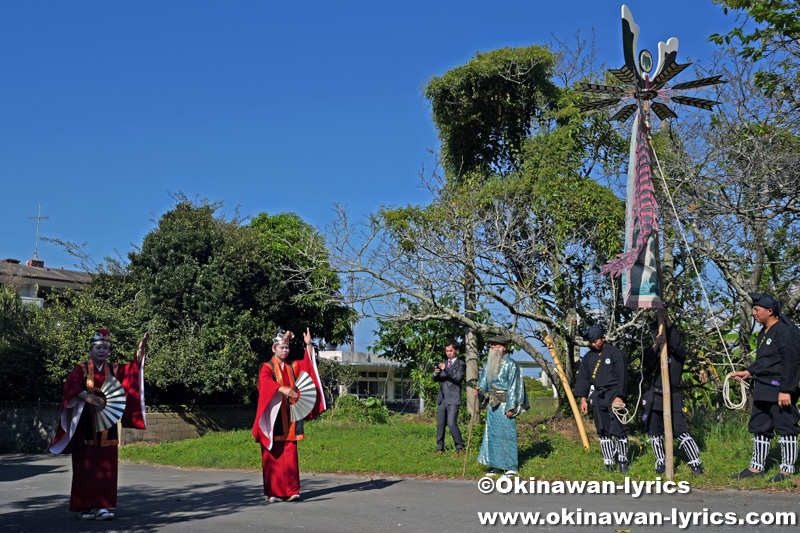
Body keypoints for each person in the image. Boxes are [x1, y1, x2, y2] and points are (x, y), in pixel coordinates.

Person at [50, 329, 149, 521]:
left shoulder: (113, 369)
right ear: (91, 350)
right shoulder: (81, 369)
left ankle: (102, 506)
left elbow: (132, 371)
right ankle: (85, 507)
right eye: (98, 347)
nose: (102, 351)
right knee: (84, 466)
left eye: (105, 347)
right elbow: (70, 386)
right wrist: (84, 395)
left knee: (106, 465)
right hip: (84, 424)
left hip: (107, 424)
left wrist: (140, 351)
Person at [730, 293, 800, 483]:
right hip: (762, 388)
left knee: (786, 428)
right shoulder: (763, 333)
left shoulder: (783, 331)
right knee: (760, 427)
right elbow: (765, 362)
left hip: (779, 389)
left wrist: (787, 389)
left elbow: (791, 361)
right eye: (753, 310)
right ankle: (756, 468)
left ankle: (786, 471)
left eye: (757, 310)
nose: (754, 313)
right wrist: (748, 372)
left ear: (770, 311)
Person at [252, 328, 326, 502]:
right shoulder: (267, 367)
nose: (285, 350)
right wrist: (282, 388)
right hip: (273, 416)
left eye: (287, 347)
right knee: (273, 454)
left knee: (290, 453)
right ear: (273, 349)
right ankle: (273, 492)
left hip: (291, 414)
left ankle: (292, 490)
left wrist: (308, 346)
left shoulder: (293, 366)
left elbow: (308, 366)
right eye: (281, 347)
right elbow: (264, 382)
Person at [642, 309, 703, 475]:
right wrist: (656, 344)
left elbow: (677, 344)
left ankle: (696, 464)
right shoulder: (653, 352)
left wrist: (667, 320)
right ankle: (661, 463)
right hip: (654, 396)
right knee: (654, 434)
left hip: (672, 396)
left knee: (681, 432)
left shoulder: (678, 354)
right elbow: (646, 364)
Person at [574, 325, 630, 473]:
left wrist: (620, 396)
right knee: (602, 430)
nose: (593, 344)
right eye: (591, 342)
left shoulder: (615, 354)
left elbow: (622, 377)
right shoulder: (588, 357)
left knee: (619, 429)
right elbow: (583, 379)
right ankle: (609, 462)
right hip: (598, 395)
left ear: (603, 338)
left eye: (596, 341)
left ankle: (623, 461)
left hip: (614, 393)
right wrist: (583, 399)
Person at [472, 334, 528, 476]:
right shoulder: (489, 364)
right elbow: (484, 381)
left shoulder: (511, 364)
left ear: (504, 348)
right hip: (493, 405)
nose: (492, 347)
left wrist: (511, 407)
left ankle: (511, 467)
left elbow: (514, 386)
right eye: (491, 345)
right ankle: (496, 465)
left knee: (507, 436)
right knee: (493, 436)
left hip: (504, 405)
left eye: (495, 344)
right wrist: (479, 390)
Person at [434, 339, 466, 455]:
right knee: (440, 424)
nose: (448, 353)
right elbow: (437, 379)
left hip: (453, 398)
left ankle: (460, 448)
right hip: (442, 398)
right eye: (447, 351)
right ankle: (439, 448)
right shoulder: (443, 363)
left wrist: (446, 369)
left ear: (456, 351)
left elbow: (458, 378)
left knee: (452, 423)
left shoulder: (461, 365)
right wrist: (436, 373)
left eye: (451, 351)